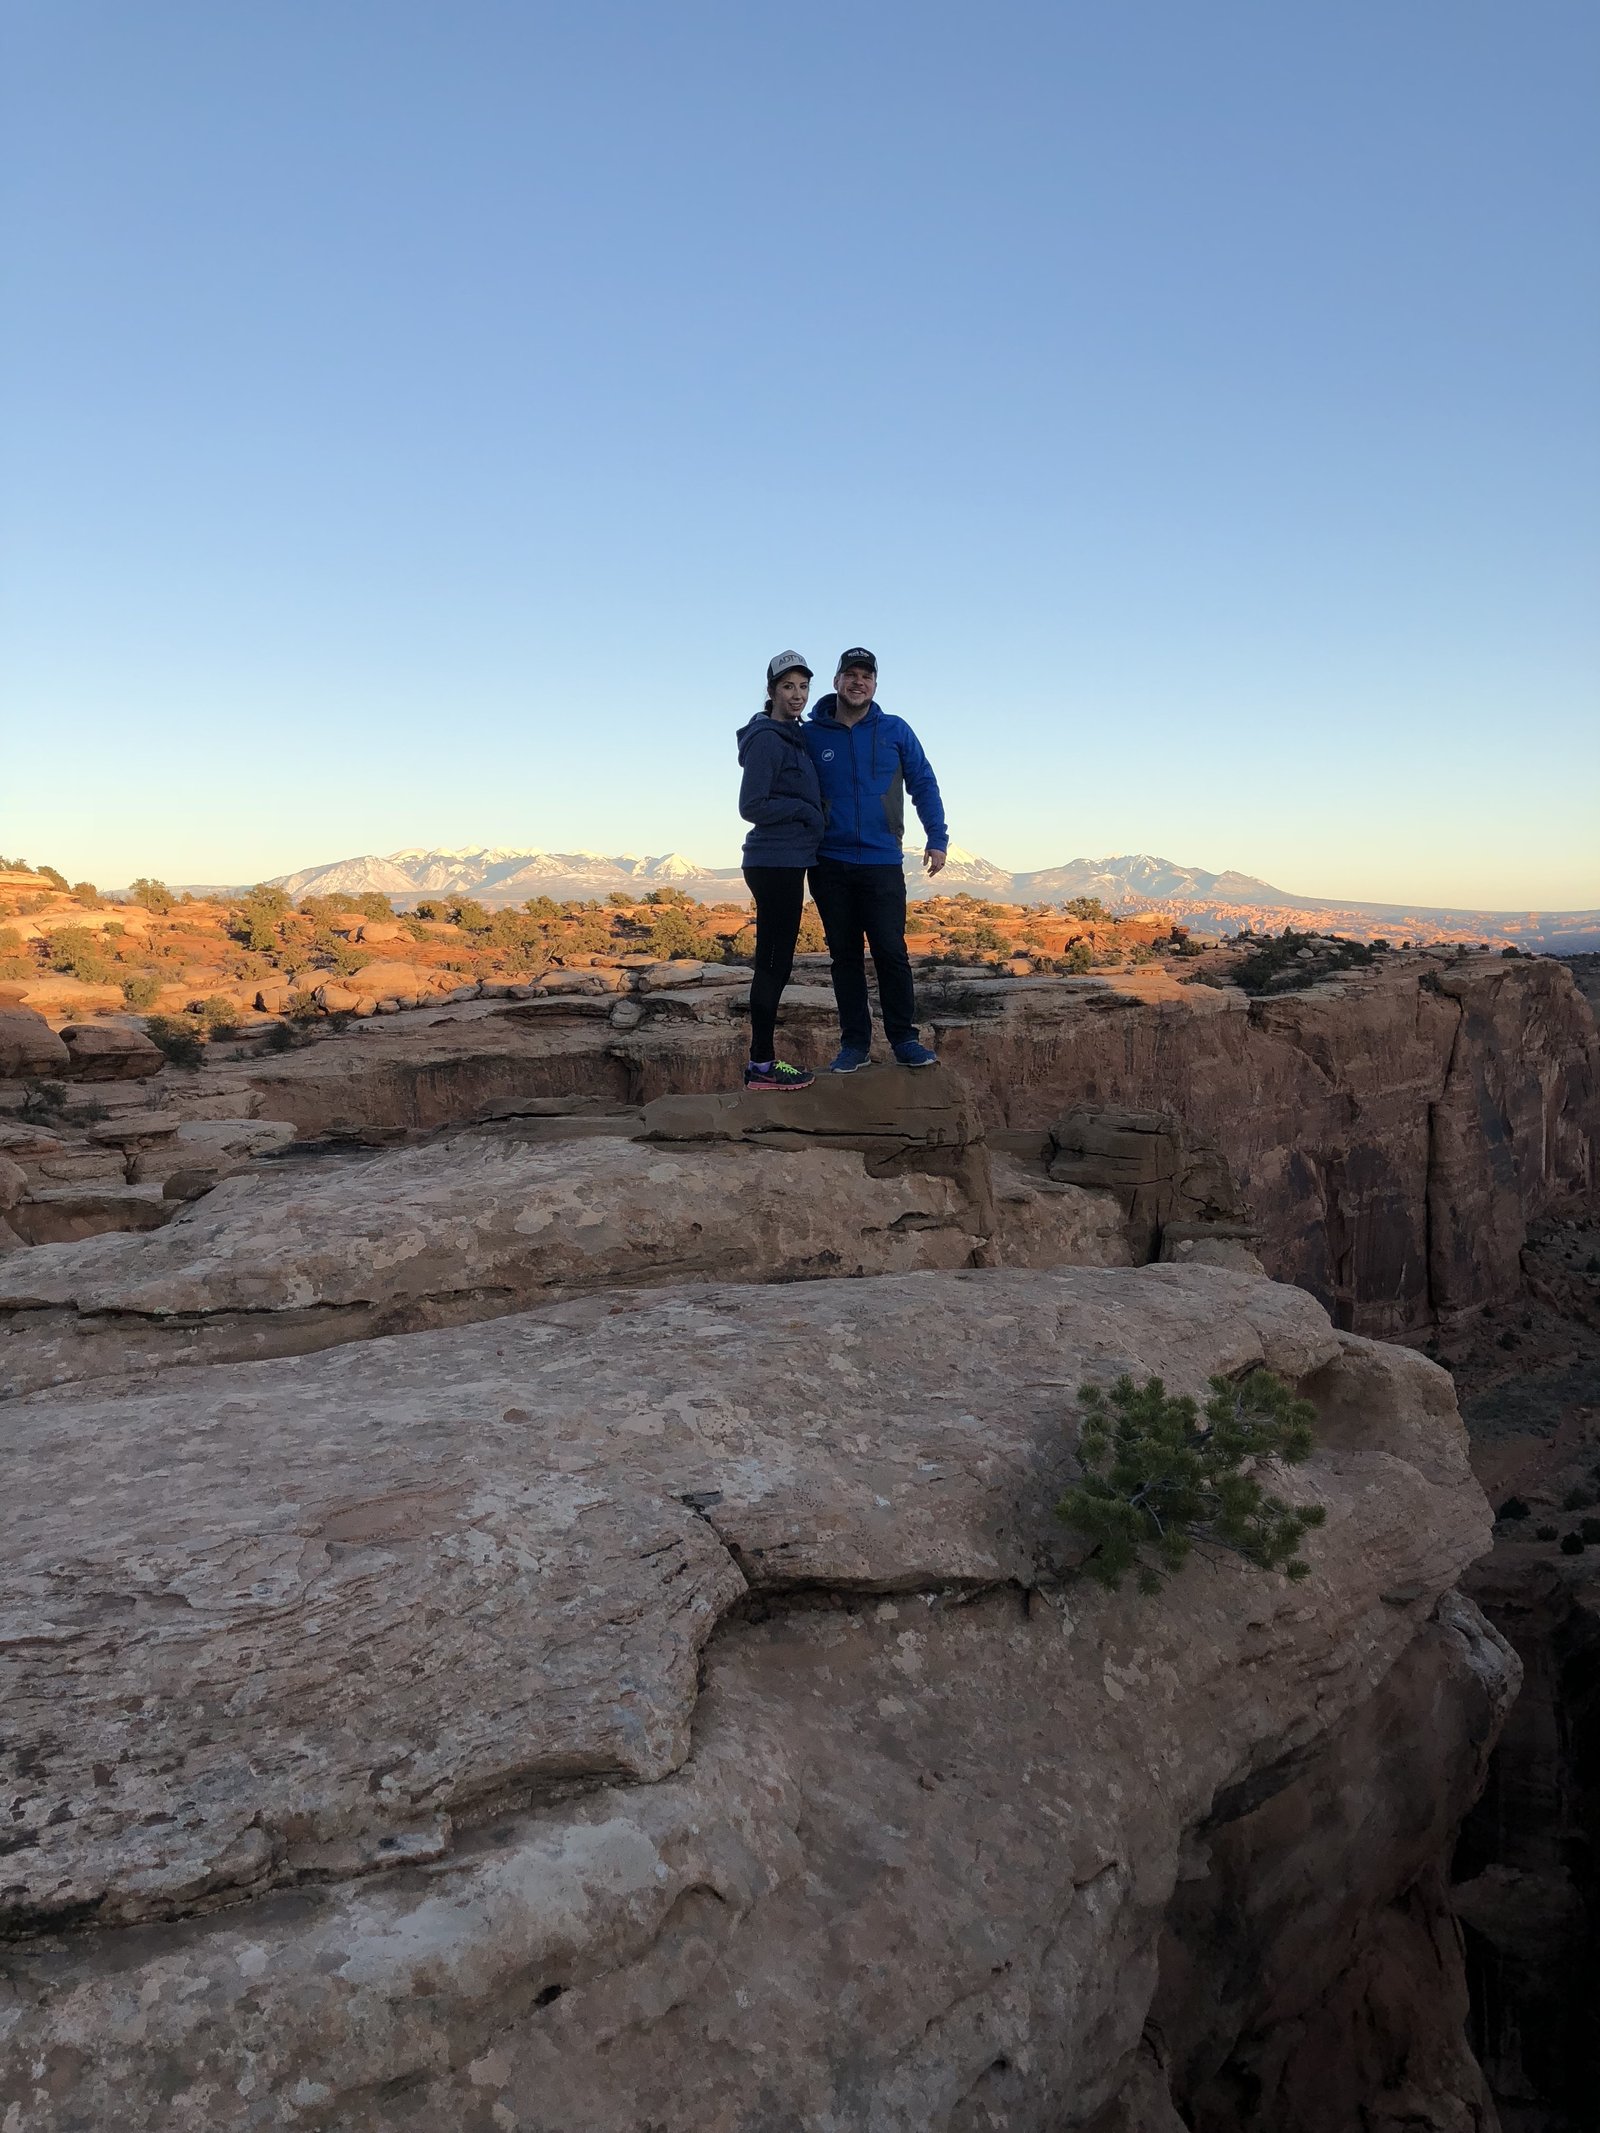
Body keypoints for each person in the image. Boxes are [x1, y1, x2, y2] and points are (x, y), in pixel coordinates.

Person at [805, 647, 948, 1071]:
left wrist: (937, 836)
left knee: (891, 952)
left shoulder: (895, 730)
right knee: (844, 956)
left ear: (875, 685)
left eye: (866, 676)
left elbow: (923, 782)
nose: (858, 682)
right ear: (836, 682)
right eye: (850, 674)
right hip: (829, 862)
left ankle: (904, 1040)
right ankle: (855, 1046)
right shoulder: (811, 735)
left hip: (883, 860)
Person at [734, 650, 826, 1090]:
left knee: (777, 963)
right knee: (773, 965)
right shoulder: (768, 740)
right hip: (774, 862)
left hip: (786, 860)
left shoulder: (793, 735)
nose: (797, 695)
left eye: (804, 687)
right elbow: (751, 805)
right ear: (771, 691)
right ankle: (762, 1067)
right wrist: (805, 810)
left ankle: (762, 1064)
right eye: (788, 686)